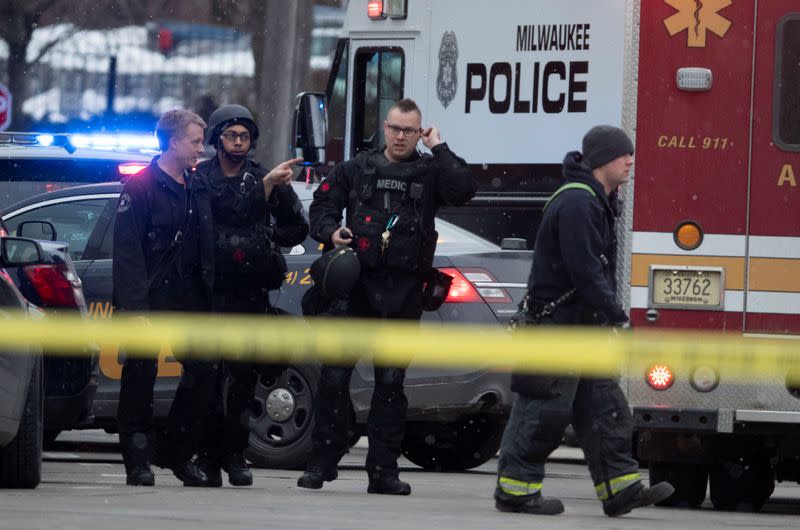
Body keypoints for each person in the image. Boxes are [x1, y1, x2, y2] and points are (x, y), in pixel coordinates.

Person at [297, 98, 477, 495]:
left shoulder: (431, 173)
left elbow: (464, 189)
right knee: (333, 379)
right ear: (384, 128)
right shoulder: (356, 168)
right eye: (395, 128)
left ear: (420, 132)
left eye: (409, 131)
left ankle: (383, 471)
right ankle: (321, 464)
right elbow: (322, 205)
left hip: (402, 293)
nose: (400, 137)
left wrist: (440, 148)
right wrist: (331, 233)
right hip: (355, 292)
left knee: (391, 387)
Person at [493, 125, 674, 516]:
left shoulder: (593, 200)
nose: (630, 162)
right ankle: (515, 490)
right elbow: (585, 270)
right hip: (558, 329)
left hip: (581, 327)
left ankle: (620, 489)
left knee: (604, 410)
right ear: (604, 159)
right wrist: (616, 317)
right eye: (624, 155)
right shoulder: (578, 203)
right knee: (542, 412)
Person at [195, 104, 309, 486]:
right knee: (208, 380)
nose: (239, 143)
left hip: (249, 294)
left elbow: (296, 227)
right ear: (217, 139)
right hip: (210, 294)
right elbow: (224, 210)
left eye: (244, 136)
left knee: (243, 381)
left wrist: (265, 239)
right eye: (231, 135)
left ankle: (235, 455)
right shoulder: (202, 179)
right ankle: (208, 457)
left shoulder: (266, 178)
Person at [113, 109, 218, 487]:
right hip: (150, 300)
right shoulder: (140, 187)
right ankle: (137, 461)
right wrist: (135, 310)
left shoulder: (198, 185)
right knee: (140, 378)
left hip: (190, 300)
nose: (200, 149)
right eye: (194, 141)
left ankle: (176, 452)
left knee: (204, 371)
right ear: (173, 141)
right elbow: (127, 254)